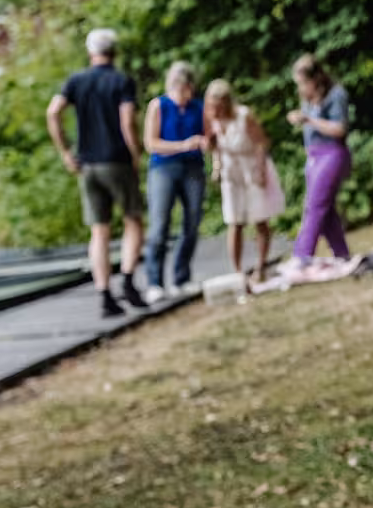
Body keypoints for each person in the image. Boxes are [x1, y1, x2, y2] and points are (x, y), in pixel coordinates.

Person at [46, 27, 147, 318]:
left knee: (99, 231)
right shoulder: (120, 81)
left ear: (91, 52)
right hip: (117, 160)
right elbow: (127, 121)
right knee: (133, 221)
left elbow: (53, 112)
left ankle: (104, 294)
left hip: (87, 164)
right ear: (114, 52)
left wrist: (66, 151)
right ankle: (128, 281)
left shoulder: (76, 81)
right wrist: (136, 154)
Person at [204, 78, 285, 286]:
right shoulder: (212, 120)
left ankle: (261, 267)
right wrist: (216, 165)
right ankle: (238, 272)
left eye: (217, 106)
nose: (214, 109)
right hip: (231, 173)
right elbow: (217, 148)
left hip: (251, 168)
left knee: (260, 218)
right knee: (234, 221)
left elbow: (261, 143)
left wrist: (259, 171)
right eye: (211, 105)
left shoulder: (243, 116)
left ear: (226, 102)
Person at [141, 61, 206, 301]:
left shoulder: (197, 107)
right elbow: (151, 143)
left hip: (193, 167)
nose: (183, 95)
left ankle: (182, 276)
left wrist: (205, 143)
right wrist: (182, 145)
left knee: (192, 222)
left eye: (187, 90)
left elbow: (208, 135)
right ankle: (155, 282)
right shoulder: (158, 106)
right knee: (159, 225)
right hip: (163, 167)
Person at [285, 53, 353, 271]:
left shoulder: (336, 95)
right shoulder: (307, 100)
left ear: (316, 79)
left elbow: (339, 129)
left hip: (332, 154)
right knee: (326, 208)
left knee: (314, 205)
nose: (301, 89)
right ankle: (342, 255)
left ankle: (302, 255)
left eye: (303, 83)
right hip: (313, 157)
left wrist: (309, 120)